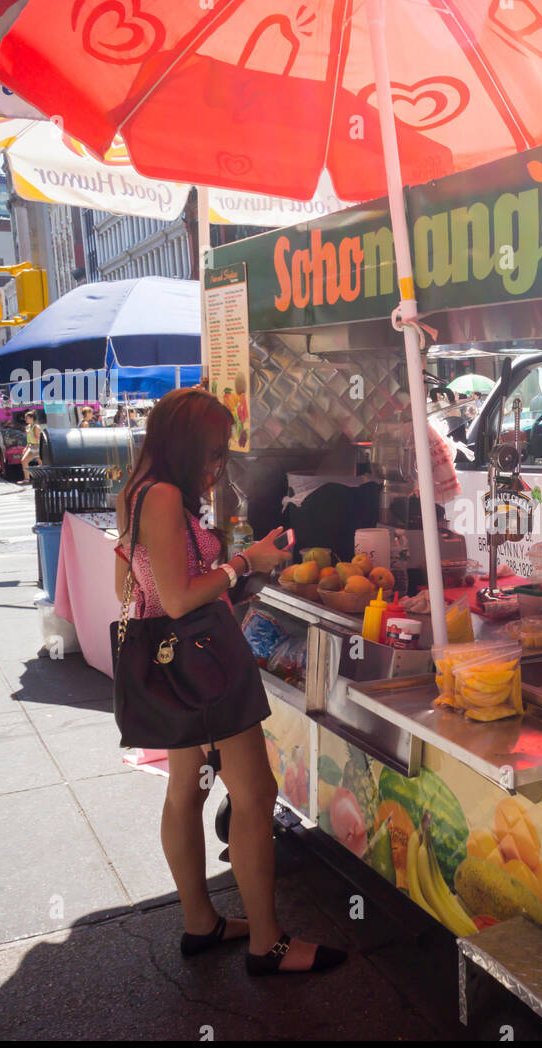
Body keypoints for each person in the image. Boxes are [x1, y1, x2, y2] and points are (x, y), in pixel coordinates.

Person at [114, 387, 344, 976]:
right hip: (202, 662)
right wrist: (245, 563)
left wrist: (230, 561)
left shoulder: (138, 491)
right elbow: (180, 595)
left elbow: (131, 585)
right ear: (186, 446)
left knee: (188, 790)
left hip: (172, 664)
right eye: (213, 453)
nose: (218, 465)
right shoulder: (164, 497)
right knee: (256, 793)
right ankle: (268, 943)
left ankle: (201, 923)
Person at [20, 410, 42, 484]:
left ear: (32, 418)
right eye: (25, 418)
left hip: (37, 446)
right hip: (31, 447)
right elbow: (29, 440)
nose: (25, 419)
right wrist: (26, 447)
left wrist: (30, 433)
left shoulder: (36, 427)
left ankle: (45, 478)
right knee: (24, 461)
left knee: (42, 463)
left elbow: (37, 439)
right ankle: (27, 479)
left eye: (27, 418)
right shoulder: (28, 427)